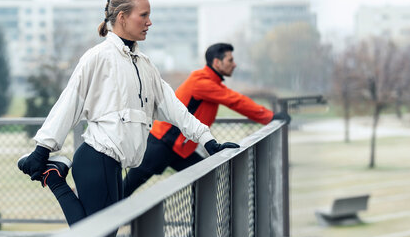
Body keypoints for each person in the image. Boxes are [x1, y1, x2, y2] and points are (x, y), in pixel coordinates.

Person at [17, 0, 239, 237]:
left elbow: (174, 109)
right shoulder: (98, 58)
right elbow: (69, 102)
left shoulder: (145, 65)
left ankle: (56, 178)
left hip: (114, 165)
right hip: (97, 158)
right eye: (143, 15)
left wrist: (208, 141)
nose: (150, 22)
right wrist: (44, 147)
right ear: (122, 18)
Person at [123, 42, 291, 197]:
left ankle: (201, 227)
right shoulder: (202, 82)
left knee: (208, 178)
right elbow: (235, 101)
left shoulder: (212, 82)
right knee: (127, 188)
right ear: (217, 62)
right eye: (230, 60)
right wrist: (270, 117)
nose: (235, 64)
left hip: (179, 149)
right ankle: (104, 221)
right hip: (162, 144)